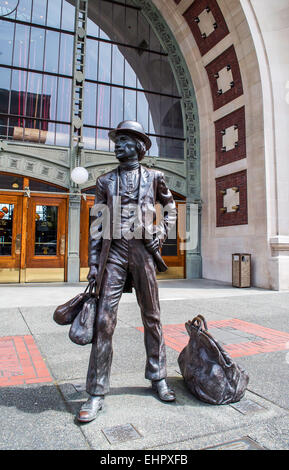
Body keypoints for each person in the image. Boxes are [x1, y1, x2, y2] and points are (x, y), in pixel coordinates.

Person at [77, 120, 177, 423]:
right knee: (104, 322)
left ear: (138, 145)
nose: (117, 145)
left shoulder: (155, 177)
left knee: (152, 316)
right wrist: (94, 264)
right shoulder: (105, 181)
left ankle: (158, 376)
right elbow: (97, 225)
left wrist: (162, 230)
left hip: (144, 252)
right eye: (117, 141)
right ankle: (96, 392)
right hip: (115, 254)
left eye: (123, 140)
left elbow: (170, 207)